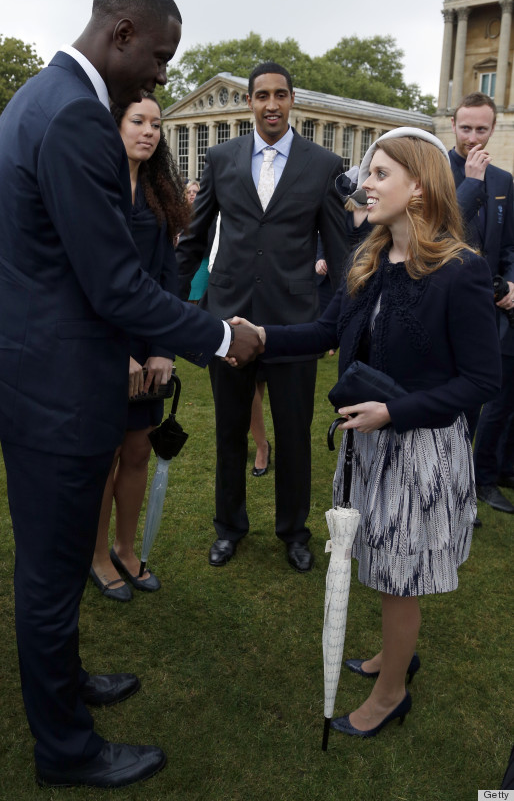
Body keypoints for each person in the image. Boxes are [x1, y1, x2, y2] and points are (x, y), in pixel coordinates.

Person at [0, 0, 262, 790]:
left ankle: (67, 687)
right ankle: (64, 748)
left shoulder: (38, 96)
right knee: (50, 579)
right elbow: (114, 285)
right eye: (161, 57)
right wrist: (220, 334)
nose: (163, 75)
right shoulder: (75, 117)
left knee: (55, 571)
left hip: (35, 378)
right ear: (122, 32)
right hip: (54, 394)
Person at [230, 128, 501, 738]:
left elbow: (482, 380)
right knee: (377, 558)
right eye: (367, 172)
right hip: (368, 444)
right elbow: (327, 331)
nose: (365, 184)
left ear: (420, 187)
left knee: (400, 575)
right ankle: (392, 655)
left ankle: (391, 690)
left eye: (380, 174)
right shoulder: (369, 257)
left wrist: (392, 413)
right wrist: (265, 336)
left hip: (419, 448)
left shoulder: (462, 271)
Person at [176, 62, 349, 572]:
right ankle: (229, 527)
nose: (270, 103)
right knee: (230, 431)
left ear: (292, 100)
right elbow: (194, 239)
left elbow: (340, 254)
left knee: (294, 434)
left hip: (294, 323)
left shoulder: (323, 163)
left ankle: (294, 531)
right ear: (249, 103)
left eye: (280, 94)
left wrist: (339, 320)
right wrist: (168, 305)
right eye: (260, 95)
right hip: (227, 321)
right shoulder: (221, 157)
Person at [90, 93, 191, 600]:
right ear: (116, 126)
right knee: (103, 456)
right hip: (99, 343)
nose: (149, 131)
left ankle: (125, 550)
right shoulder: (94, 188)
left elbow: (167, 279)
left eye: (156, 123)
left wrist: (164, 349)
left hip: (148, 343)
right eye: (138, 121)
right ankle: (94, 554)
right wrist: (116, 353)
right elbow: (84, 282)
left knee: (136, 451)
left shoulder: (158, 194)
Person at [450, 92, 514, 520]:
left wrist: (510, 278)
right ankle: (445, 491)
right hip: (442, 307)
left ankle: (469, 487)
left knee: (479, 401)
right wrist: (470, 181)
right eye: (466, 128)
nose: (474, 137)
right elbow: (439, 227)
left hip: (490, 311)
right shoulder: (433, 169)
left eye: (482, 129)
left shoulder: (504, 181)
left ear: (493, 129)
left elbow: (508, 244)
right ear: (454, 126)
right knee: (446, 405)